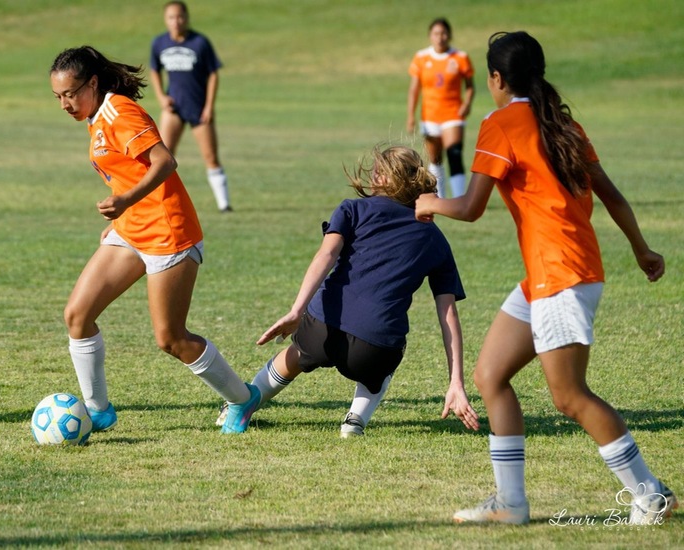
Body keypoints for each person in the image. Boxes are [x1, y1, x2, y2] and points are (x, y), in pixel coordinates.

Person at [415, 31, 675, 525]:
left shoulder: (500, 123)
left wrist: (430, 203)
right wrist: (642, 250)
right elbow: (613, 196)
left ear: (495, 78)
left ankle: (651, 495)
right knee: (490, 375)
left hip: (561, 275)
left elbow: (470, 208)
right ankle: (510, 504)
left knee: (569, 396)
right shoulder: (564, 123)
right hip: (557, 273)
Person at [49, 45, 258, 435]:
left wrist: (126, 200)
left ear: (92, 83)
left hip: (169, 233)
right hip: (132, 231)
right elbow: (126, 171)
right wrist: (123, 217)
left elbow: (165, 161)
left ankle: (242, 399)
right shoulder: (95, 117)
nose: (64, 103)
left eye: (71, 93)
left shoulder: (119, 112)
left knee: (171, 338)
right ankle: (98, 412)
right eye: (58, 96)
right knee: (77, 316)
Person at [223, 145, 479, 437]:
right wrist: (455, 381)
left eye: (377, 168)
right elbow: (448, 315)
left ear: (383, 177)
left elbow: (326, 255)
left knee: (296, 353)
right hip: (375, 347)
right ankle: (355, 420)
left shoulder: (352, 208)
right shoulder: (435, 238)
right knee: (385, 364)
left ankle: (244, 404)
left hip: (323, 328)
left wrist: (296, 311)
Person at [149, 1, 232, 212]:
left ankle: (224, 204)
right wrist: (161, 97)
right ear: (165, 19)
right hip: (173, 108)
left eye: (180, 17)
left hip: (198, 108)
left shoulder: (200, 43)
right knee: (163, 157)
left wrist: (209, 106)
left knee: (210, 156)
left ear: (186, 18)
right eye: (171, 17)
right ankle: (160, 202)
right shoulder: (159, 43)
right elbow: (154, 70)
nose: (176, 22)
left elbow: (213, 74)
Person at [406, 18, 475, 199]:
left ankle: (460, 198)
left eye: (444, 33)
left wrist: (467, 103)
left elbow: (470, 86)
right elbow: (414, 89)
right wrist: (411, 116)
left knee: (454, 152)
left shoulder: (460, 57)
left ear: (449, 35)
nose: (440, 37)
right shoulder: (421, 57)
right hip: (430, 115)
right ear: (430, 36)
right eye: (436, 34)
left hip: (453, 113)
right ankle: (440, 197)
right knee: (435, 158)